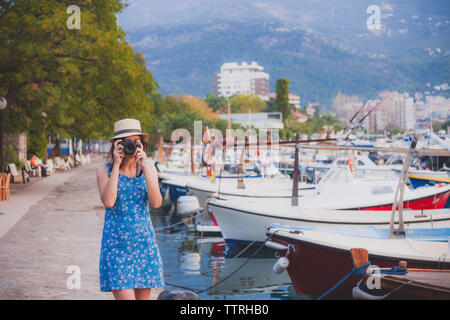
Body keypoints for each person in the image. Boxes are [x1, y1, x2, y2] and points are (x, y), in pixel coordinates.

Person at [96, 119, 164, 300]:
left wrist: (145, 166)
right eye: (126, 141)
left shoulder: (148, 170)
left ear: (141, 144)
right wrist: (117, 165)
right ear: (116, 145)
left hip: (144, 246)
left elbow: (156, 203)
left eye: (135, 141)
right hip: (117, 246)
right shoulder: (105, 170)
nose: (131, 146)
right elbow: (109, 202)